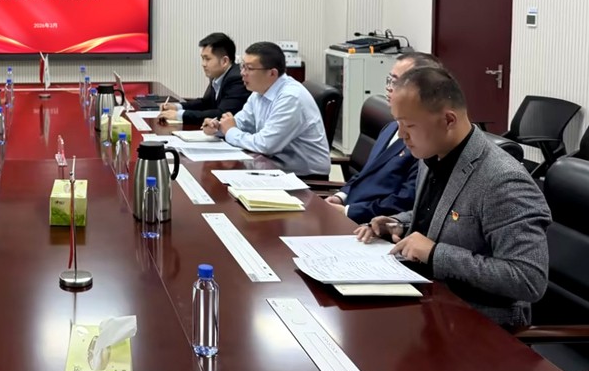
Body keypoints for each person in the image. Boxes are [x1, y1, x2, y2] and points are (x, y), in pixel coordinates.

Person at [355, 67, 549, 327]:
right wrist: (398, 223)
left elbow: (528, 279)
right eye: (398, 123)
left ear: (448, 120)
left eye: (409, 125)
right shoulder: (432, 152)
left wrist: (435, 253)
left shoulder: (504, 180)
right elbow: (448, 214)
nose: (401, 135)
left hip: (478, 322)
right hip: (427, 300)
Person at [326, 52, 442, 223]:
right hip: (348, 211)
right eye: (389, 80)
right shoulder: (390, 127)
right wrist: (341, 196)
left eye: (397, 82)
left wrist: (348, 211)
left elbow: (405, 201)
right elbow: (366, 173)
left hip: (372, 222)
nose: (389, 87)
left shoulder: (426, 141)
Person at [203, 41, 330, 178]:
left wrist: (230, 131)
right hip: (271, 166)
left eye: (249, 68)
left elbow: (265, 145)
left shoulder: (291, 98)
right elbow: (242, 123)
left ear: (272, 73)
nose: (242, 73)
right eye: (242, 66)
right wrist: (219, 127)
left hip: (303, 177)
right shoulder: (259, 92)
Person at [158, 32, 249, 126]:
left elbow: (221, 114)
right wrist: (177, 107)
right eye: (202, 59)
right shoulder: (217, 75)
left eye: (207, 59)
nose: (203, 64)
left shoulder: (237, 79)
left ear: (224, 61)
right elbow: (206, 103)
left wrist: (180, 115)